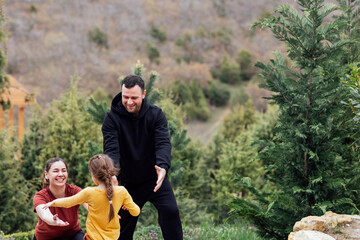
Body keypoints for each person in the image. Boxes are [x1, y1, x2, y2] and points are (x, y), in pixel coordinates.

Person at [102, 74, 183, 240]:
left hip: (154, 178)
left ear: (144, 94)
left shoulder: (156, 115)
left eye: (134, 97)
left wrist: (163, 166)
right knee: (122, 229)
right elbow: (111, 150)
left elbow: (163, 143)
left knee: (171, 212)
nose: (129, 102)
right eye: (125, 97)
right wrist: (112, 174)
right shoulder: (111, 119)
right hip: (126, 183)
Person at [43, 154, 140, 240]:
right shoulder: (121, 191)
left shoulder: (89, 192)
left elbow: (69, 202)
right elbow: (136, 212)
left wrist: (52, 203)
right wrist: (128, 206)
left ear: (93, 175)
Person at [33, 157, 88, 240]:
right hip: (46, 237)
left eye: (64, 170)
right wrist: (53, 220)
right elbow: (44, 214)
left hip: (72, 234)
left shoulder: (75, 191)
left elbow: (91, 207)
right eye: (56, 171)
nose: (60, 174)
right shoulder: (40, 196)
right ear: (46, 174)